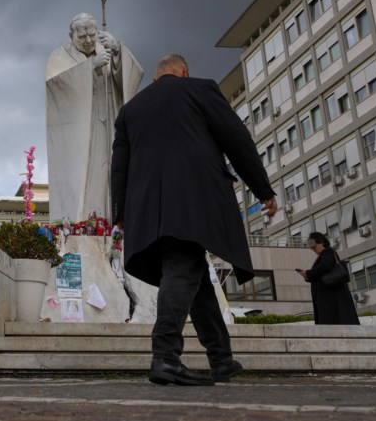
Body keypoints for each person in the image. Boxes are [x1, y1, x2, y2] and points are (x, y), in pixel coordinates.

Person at [110, 54, 278, 386]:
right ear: (184, 72)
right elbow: (236, 139)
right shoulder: (199, 89)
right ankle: (165, 357)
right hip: (190, 198)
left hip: (147, 210)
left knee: (193, 274)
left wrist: (121, 214)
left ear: (157, 77)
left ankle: (221, 359)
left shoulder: (130, 110)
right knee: (184, 265)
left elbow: (119, 166)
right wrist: (263, 189)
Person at [46, 12, 143, 222]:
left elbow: (129, 80)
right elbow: (55, 85)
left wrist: (118, 51)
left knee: (111, 169)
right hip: (80, 127)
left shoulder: (105, 50)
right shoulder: (59, 56)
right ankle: (83, 220)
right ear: (71, 35)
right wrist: (90, 67)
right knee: (87, 174)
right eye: (82, 37)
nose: (89, 40)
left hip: (108, 120)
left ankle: (114, 218)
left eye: (92, 34)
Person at [297, 232, 360, 325]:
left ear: (321, 243)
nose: (313, 250)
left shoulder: (328, 252)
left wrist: (308, 273)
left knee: (334, 318)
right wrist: (307, 275)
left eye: (314, 247)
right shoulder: (325, 254)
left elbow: (325, 267)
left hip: (332, 295)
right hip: (331, 295)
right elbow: (322, 273)